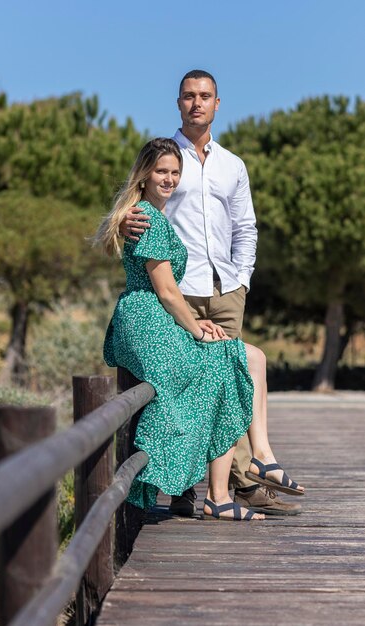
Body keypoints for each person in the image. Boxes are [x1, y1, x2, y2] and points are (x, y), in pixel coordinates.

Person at [120, 70, 303, 517]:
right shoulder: (165, 158)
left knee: (232, 380)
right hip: (177, 291)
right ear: (178, 103)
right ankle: (189, 490)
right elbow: (138, 205)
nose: (196, 103)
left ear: (217, 103)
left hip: (225, 287)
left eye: (205, 96)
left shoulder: (232, 165)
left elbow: (245, 227)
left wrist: (242, 277)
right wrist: (126, 223)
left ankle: (243, 485)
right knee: (188, 385)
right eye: (189, 96)